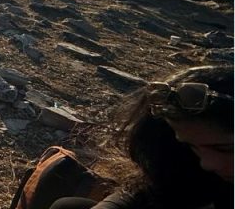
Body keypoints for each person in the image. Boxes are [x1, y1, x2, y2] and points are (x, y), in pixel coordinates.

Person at [51, 65, 233, 209]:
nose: (207, 163)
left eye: (226, 149)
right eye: (192, 146)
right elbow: (153, 191)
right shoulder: (192, 166)